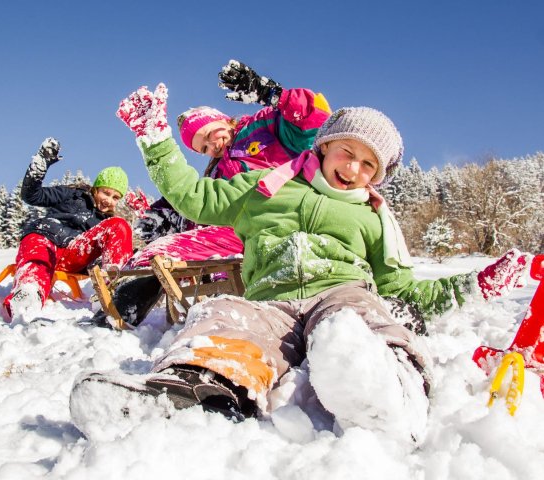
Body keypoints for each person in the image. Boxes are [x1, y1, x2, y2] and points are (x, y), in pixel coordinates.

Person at [70, 85, 533, 443]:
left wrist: (477, 284)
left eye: (368, 165)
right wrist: (156, 139)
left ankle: (388, 390)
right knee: (224, 316)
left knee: (359, 320)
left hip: (342, 291)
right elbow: (194, 196)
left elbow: (401, 290)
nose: (353, 169)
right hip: (272, 298)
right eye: (347, 153)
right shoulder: (266, 186)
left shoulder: (373, 216)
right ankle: (186, 390)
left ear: (378, 175)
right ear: (325, 147)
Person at [95, 60, 331, 327]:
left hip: (282, 223)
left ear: (222, 119)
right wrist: (157, 213)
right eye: (203, 148)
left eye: (209, 134)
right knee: (163, 250)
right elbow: (198, 200)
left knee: (169, 249)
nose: (212, 146)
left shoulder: (263, 127)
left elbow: (316, 123)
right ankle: (117, 312)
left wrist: (272, 94)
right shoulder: (216, 173)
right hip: (238, 233)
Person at [3, 137, 133, 321]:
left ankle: (111, 290)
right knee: (38, 260)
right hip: (44, 238)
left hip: (74, 252)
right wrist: (41, 165)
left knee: (120, 225)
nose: (109, 200)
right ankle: (28, 295)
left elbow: (110, 250)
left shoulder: (105, 222)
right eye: (106, 192)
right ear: (95, 189)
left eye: (115, 197)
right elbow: (31, 196)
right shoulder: (72, 194)